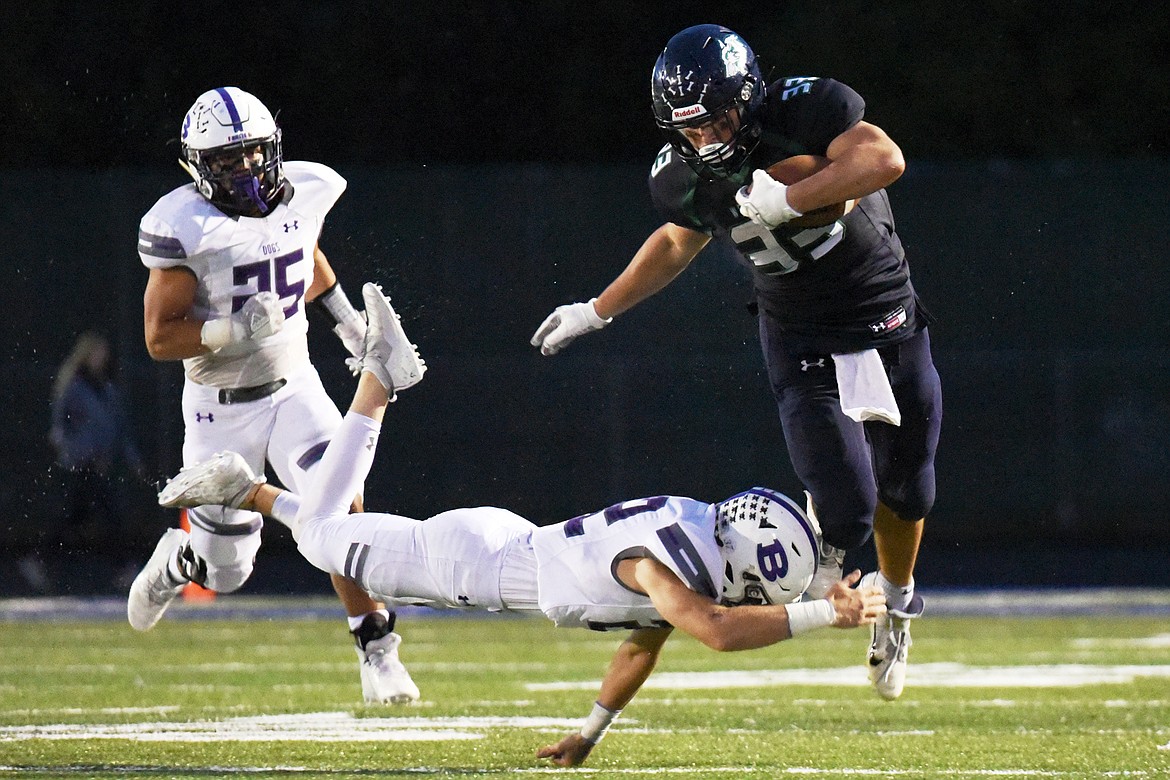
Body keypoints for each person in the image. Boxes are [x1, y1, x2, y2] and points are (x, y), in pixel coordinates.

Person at [156, 282, 887, 768]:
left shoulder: (695, 547)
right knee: (322, 540)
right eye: (768, 591)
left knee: (329, 527)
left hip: (500, 545)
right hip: (474, 567)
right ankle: (367, 388)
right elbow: (718, 630)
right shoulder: (669, 569)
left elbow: (645, 646)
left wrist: (588, 734)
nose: (765, 601)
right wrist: (825, 613)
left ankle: (276, 466)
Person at [530, 25, 939, 701]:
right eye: (690, 131)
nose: (708, 143)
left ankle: (895, 608)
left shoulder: (804, 110)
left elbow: (884, 159)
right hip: (800, 334)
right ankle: (828, 565)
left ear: (747, 99)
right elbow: (674, 241)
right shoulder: (682, 176)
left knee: (910, 490)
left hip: (887, 317)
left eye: (718, 121)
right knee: (848, 508)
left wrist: (792, 197)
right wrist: (596, 309)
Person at [130, 87, 423, 704]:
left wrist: (346, 320)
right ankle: (181, 561)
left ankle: (376, 646)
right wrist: (231, 330)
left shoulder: (307, 189)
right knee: (227, 573)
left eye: (253, 154)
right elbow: (159, 338)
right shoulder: (187, 227)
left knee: (340, 504)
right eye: (227, 161)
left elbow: (302, 251)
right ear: (198, 166)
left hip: (296, 390)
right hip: (219, 409)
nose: (244, 171)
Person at [32, 332, 145, 591]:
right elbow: (59, 428)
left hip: (97, 464)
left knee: (78, 516)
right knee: (100, 515)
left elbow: (118, 429)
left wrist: (132, 459)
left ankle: (40, 560)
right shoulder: (73, 387)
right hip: (79, 465)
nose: (100, 359)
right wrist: (72, 452)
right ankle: (123, 567)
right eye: (96, 353)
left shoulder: (106, 389)